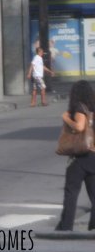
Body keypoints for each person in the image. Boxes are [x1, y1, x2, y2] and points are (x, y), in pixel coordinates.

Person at [55, 80, 95, 231]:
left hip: (80, 157)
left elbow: (79, 126)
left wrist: (66, 118)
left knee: (71, 193)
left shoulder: (80, 108)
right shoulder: (93, 107)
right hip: (93, 156)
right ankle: (93, 226)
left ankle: (66, 227)